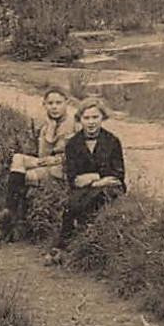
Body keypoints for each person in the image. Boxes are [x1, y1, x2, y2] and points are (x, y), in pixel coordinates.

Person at [0, 88, 76, 245]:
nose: (54, 107)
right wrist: (49, 132)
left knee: (25, 177)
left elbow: (75, 155)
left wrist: (56, 160)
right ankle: (8, 213)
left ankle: (5, 229)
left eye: (58, 103)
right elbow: (42, 154)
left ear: (67, 103)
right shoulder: (48, 124)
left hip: (63, 169)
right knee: (18, 159)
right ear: (44, 104)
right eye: (50, 103)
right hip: (47, 164)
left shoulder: (72, 124)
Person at [57, 98, 125, 249]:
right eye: (86, 118)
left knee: (93, 199)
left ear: (103, 118)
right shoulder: (73, 144)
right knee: (72, 205)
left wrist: (95, 178)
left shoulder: (112, 141)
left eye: (95, 117)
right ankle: (64, 247)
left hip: (109, 188)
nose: (91, 122)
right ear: (80, 120)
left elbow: (118, 175)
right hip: (84, 189)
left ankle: (77, 246)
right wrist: (99, 178)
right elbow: (73, 178)